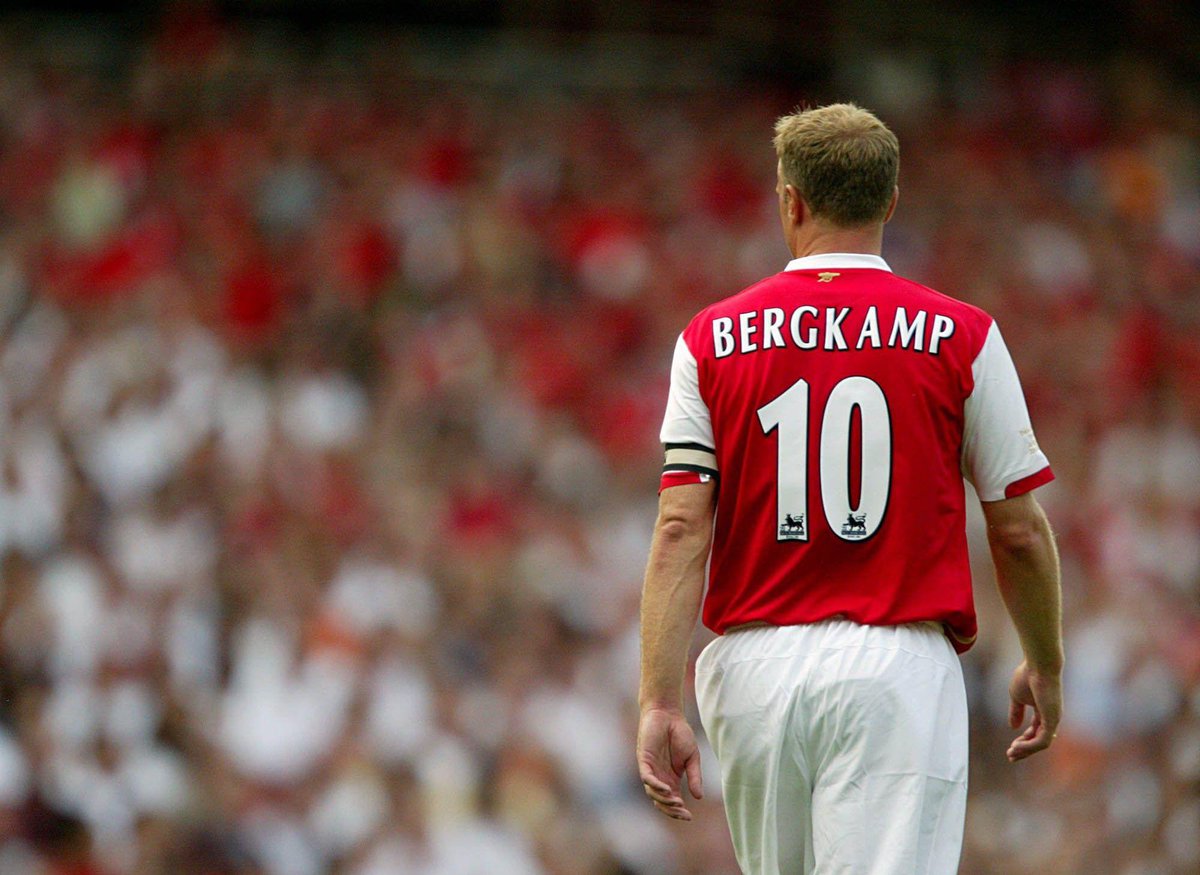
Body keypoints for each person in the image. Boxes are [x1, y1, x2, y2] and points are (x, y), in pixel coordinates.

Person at [636, 103, 1063, 874]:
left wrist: (658, 699)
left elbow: (679, 526)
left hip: (754, 668)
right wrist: (1045, 661)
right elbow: (1019, 530)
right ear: (890, 202)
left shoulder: (709, 338)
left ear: (791, 201)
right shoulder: (963, 334)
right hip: (897, 667)